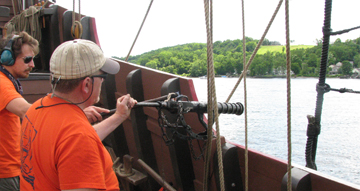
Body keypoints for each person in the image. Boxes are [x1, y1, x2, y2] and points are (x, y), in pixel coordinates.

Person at [20, 39, 137, 190]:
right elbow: (78, 141)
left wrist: (119, 116)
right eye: (103, 77)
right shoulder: (78, 136)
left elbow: (71, 144)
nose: (102, 82)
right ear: (87, 84)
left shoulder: (36, 109)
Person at [0, 32, 110, 191]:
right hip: (6, 168)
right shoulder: (3, 84)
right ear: (6, 58)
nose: (32, 65)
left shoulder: (21, 91)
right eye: (27, 59)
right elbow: (26, 111)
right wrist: (72, 113)